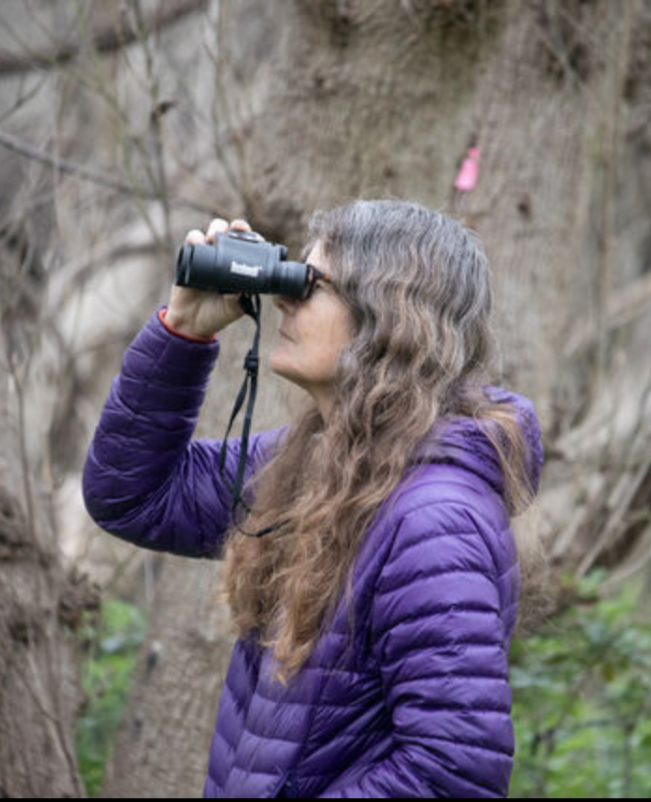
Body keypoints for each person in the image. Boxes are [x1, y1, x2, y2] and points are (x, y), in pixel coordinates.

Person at [82, 199, 545, 797]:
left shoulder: (435, 520)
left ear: (391, 315)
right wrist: (184, 330)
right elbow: (133, 495)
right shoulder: (320, 463)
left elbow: (455, 772)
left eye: (311, 284)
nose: (282, 298)